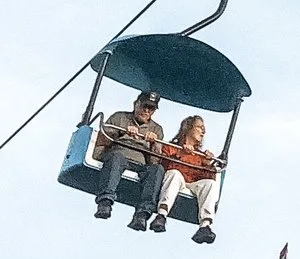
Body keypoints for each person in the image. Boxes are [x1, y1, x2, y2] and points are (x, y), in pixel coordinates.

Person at [92, 88, 165, 226]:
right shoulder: (119, 117)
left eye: (151, 109)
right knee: (117, 157)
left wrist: (154, 144)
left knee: (157, 169)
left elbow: (154, 161)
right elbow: (101, 143)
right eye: (145, 106)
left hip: (141, 162)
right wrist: (121, 133)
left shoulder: (156, 129)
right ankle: (105, 201)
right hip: (118, 154)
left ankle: (142, 214)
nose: (147, 111)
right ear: (136, 104)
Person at [155, 114, 224, 246]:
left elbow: (207, 179)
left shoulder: (200, 155)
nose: (203, 131)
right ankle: (162, 214)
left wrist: (208, 164)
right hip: (177, 182)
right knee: (174, 174)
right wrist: (181, 154)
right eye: (199, 127)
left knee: (210, 184)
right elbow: (163, 166)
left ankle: (205, 225)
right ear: (189, 128)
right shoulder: (171, 147)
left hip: (192, 185)